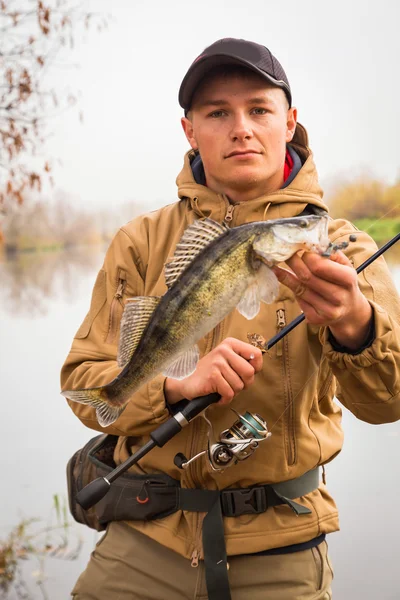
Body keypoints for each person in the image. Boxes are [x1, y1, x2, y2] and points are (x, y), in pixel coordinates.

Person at [61, 38, 400, 600]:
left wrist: (355, 324)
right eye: (218, 112)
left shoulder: (343, 248)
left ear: (290, 122)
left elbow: (390, 403)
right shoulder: (140, 243)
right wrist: (173, 389)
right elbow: (82, 388)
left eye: (259, 110)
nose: (241, 128)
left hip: (283, 549)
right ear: (190, 131)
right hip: (144, 541)